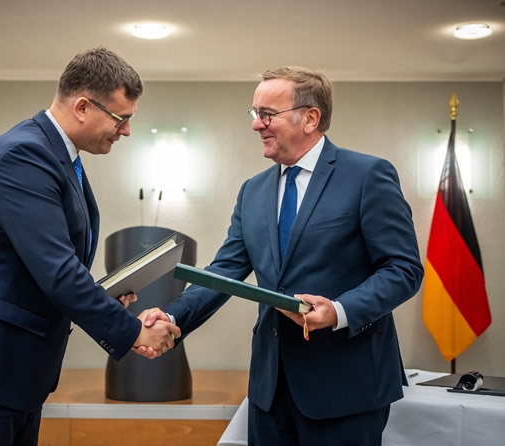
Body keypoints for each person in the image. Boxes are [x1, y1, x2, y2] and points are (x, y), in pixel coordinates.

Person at [0, 47, 180, 446]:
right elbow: (57, 271)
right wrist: (133, 331)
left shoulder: (57, 157)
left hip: (13, 370)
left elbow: (43, 266)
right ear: (83, 107)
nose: (125, 131)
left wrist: (103, 296)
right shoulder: (24, 155)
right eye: (121, 118)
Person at [141, 66, 424, 445]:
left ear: (310, 118)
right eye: (254, 113)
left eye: (267, 114)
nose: (256, 124)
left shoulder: (367, 175)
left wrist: (338, 311)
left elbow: (403, 269)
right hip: (269, 389)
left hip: (346, 387)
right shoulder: (252, 191)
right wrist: (173, 317)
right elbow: (225, 270)